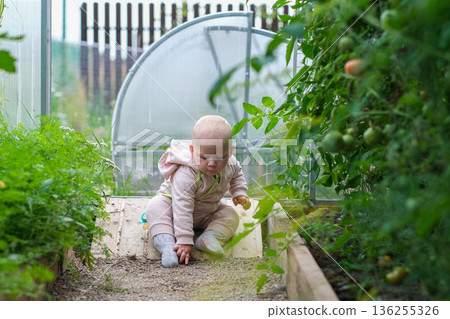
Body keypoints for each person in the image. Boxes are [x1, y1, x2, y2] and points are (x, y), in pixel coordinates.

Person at [144, 115, 251, 267]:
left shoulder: (231, 164)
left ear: (231, 151)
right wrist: (185, 240)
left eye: (220, 157)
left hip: (207, 212)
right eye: (204, 157)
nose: (212, 164)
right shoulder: (186, 173)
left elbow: (237, 175)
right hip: (174, 210)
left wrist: (239, 192)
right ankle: (167, 245)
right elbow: (182, 207)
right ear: (193, 150)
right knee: (155, 207)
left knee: (231, 215)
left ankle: (209, 238)